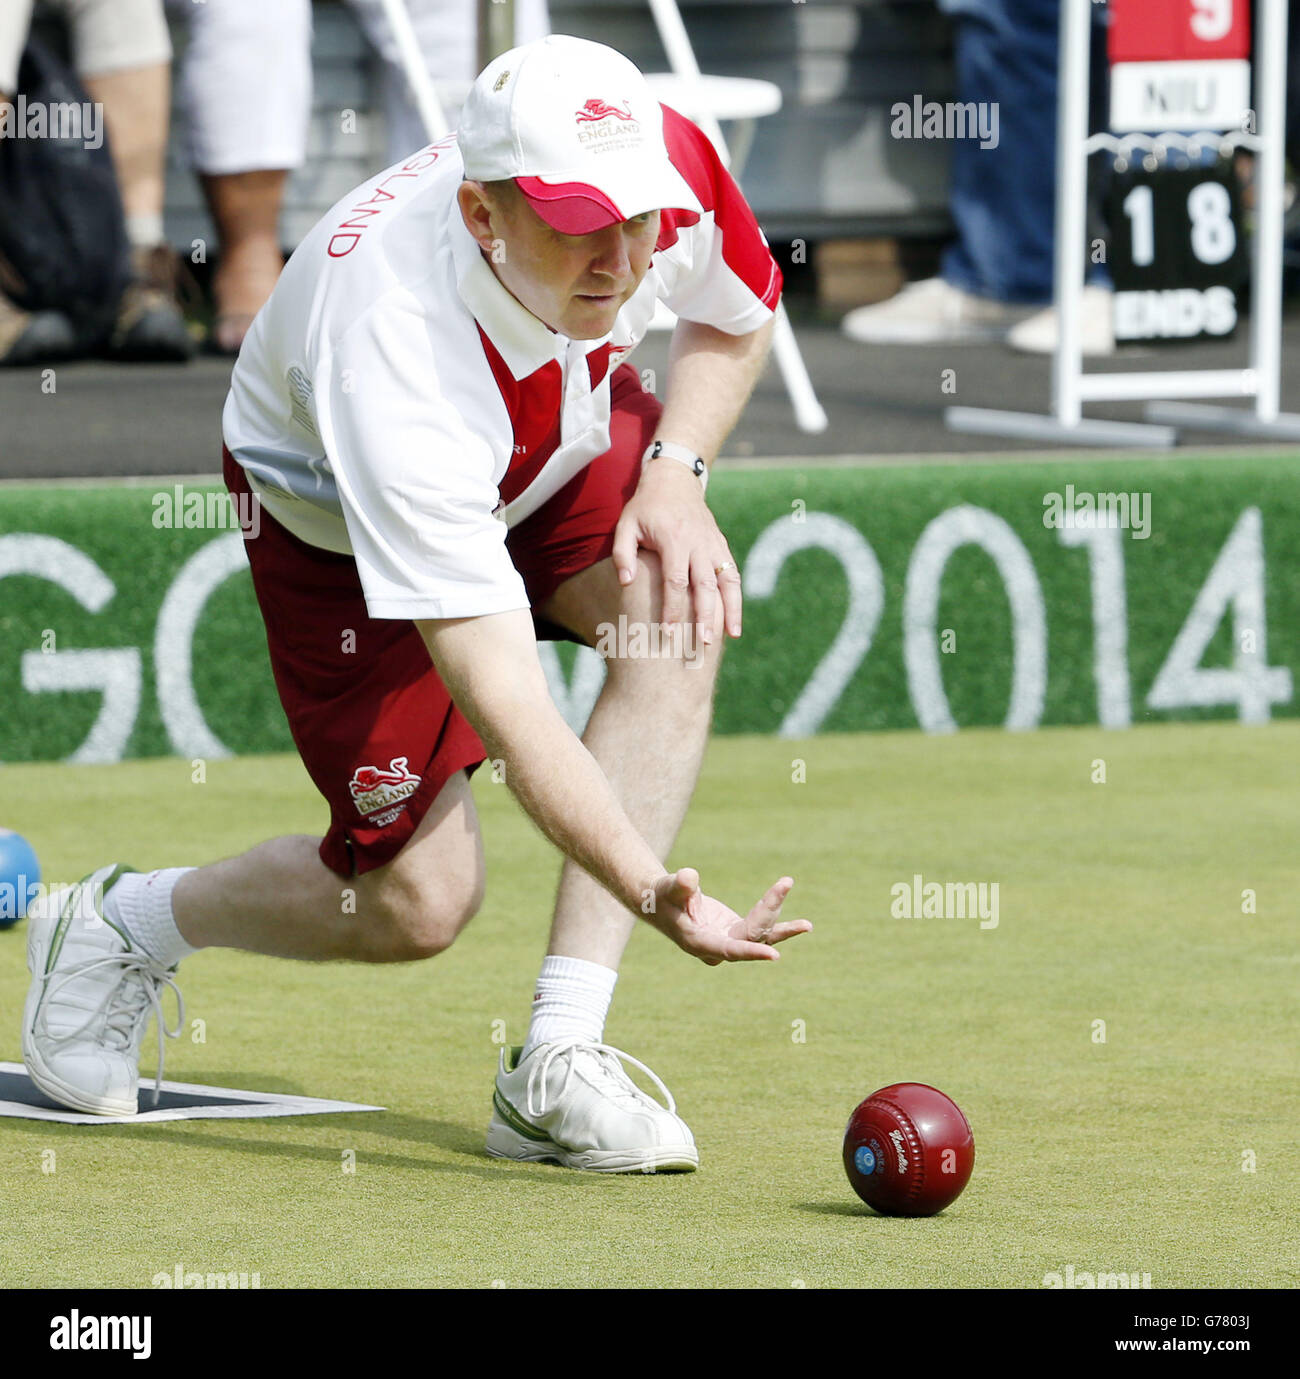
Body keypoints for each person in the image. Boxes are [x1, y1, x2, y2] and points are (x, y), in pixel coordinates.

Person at [21, 36, 811, 1172]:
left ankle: (557, 1060)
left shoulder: (661, 168)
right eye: (575, 222)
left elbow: (737, 309)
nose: (621, 255)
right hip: (340, 522)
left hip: (557, 425)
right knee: (416, 905)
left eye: (633, 220)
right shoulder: (392, 354)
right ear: (485, 218)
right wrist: (651, 888)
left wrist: (678, 471)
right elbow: (511, 706)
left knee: (670, 599)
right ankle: (117, 923)